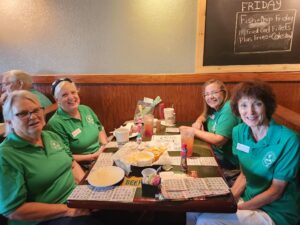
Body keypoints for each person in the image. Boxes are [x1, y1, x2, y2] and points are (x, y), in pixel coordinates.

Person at [187, 80, 300, 225]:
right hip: (248, 198)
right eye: (244, 105)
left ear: (267, 106)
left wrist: (238, 207)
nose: (250, 112)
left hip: (276, 211)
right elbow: (244, 174)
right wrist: (230, 201)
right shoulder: (239, 132)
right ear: (237, 109)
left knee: (206, 220)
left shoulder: (289, 140)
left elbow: (275, 192)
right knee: (193, 208)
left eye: (257, 104)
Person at [0, 90, 106, 225]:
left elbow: (72, 164)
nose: (33, 117)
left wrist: (85, 195)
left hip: (74, 201)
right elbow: (14, 210)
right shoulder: (6, 155)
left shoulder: (51, 136)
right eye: (23, 113)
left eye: (36, 110)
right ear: (9, 122)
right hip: (45, 218)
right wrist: (67, 210)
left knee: (119, 210)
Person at [181, 79, 240, 173]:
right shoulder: (215, 107)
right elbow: (204, 115)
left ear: (224, 92)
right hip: (213, 151)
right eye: (207, 94)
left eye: (214, 92)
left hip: (228, 161)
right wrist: (198, 121)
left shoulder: (228, 108)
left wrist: (193, 131)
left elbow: (219, 140)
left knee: (189, 166)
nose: (210, 97)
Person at [46, 78, 108, 165]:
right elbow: (65, 156)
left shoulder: (85, 109)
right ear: (57, 100)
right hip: (83, 165)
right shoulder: (55, 124)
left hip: (101, 155)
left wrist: (105, 146)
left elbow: (99, 128)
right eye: (64, 95)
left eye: (73, 92)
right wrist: (93, 156)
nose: (71, 97)